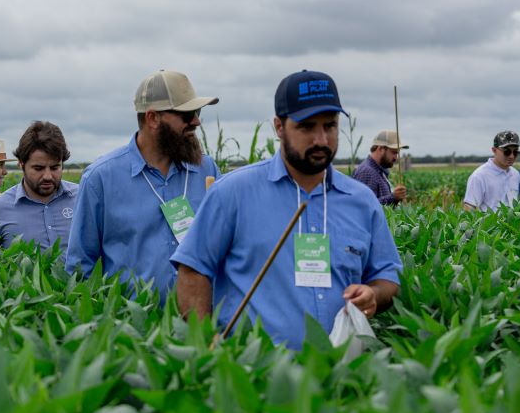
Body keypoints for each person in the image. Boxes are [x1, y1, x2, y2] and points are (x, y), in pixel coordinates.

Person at [172, 69, 402, 347]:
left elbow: (387, 275)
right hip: (253, 374)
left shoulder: (361, 201)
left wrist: (373, 294)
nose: (321, 139)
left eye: (329, 125)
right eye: (306, 127)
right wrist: (203, 343)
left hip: (340, 373)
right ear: (279, 127)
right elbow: (193, 271)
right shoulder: (232, 193)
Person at [66, 69, 220, 300]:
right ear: (153, 118)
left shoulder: (207, 170)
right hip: (130, 328)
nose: (196, 121)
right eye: (187, 114)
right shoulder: (100, 179)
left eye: (197, 112)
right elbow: (81, 267)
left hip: (197, 326)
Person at [0, 121, 79, 253]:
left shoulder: (82, 198)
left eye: (54, 167)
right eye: (38, 168)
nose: (47, 176)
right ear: (21, 164)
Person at [463, 131, 520, 212]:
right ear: (494, 150)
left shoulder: (516, 174)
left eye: (515, 152)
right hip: (490, 224)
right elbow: (469, 208)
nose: (511, 156)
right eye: (507, 152)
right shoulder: (479, 176)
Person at [351, 130, 408, 205]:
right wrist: (393, 197)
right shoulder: (367, 172)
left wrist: (395, 199)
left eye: (397, 153)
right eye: (394, 152)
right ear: (381, 149)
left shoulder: (379, 171)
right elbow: (364, 206)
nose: (396, 157)